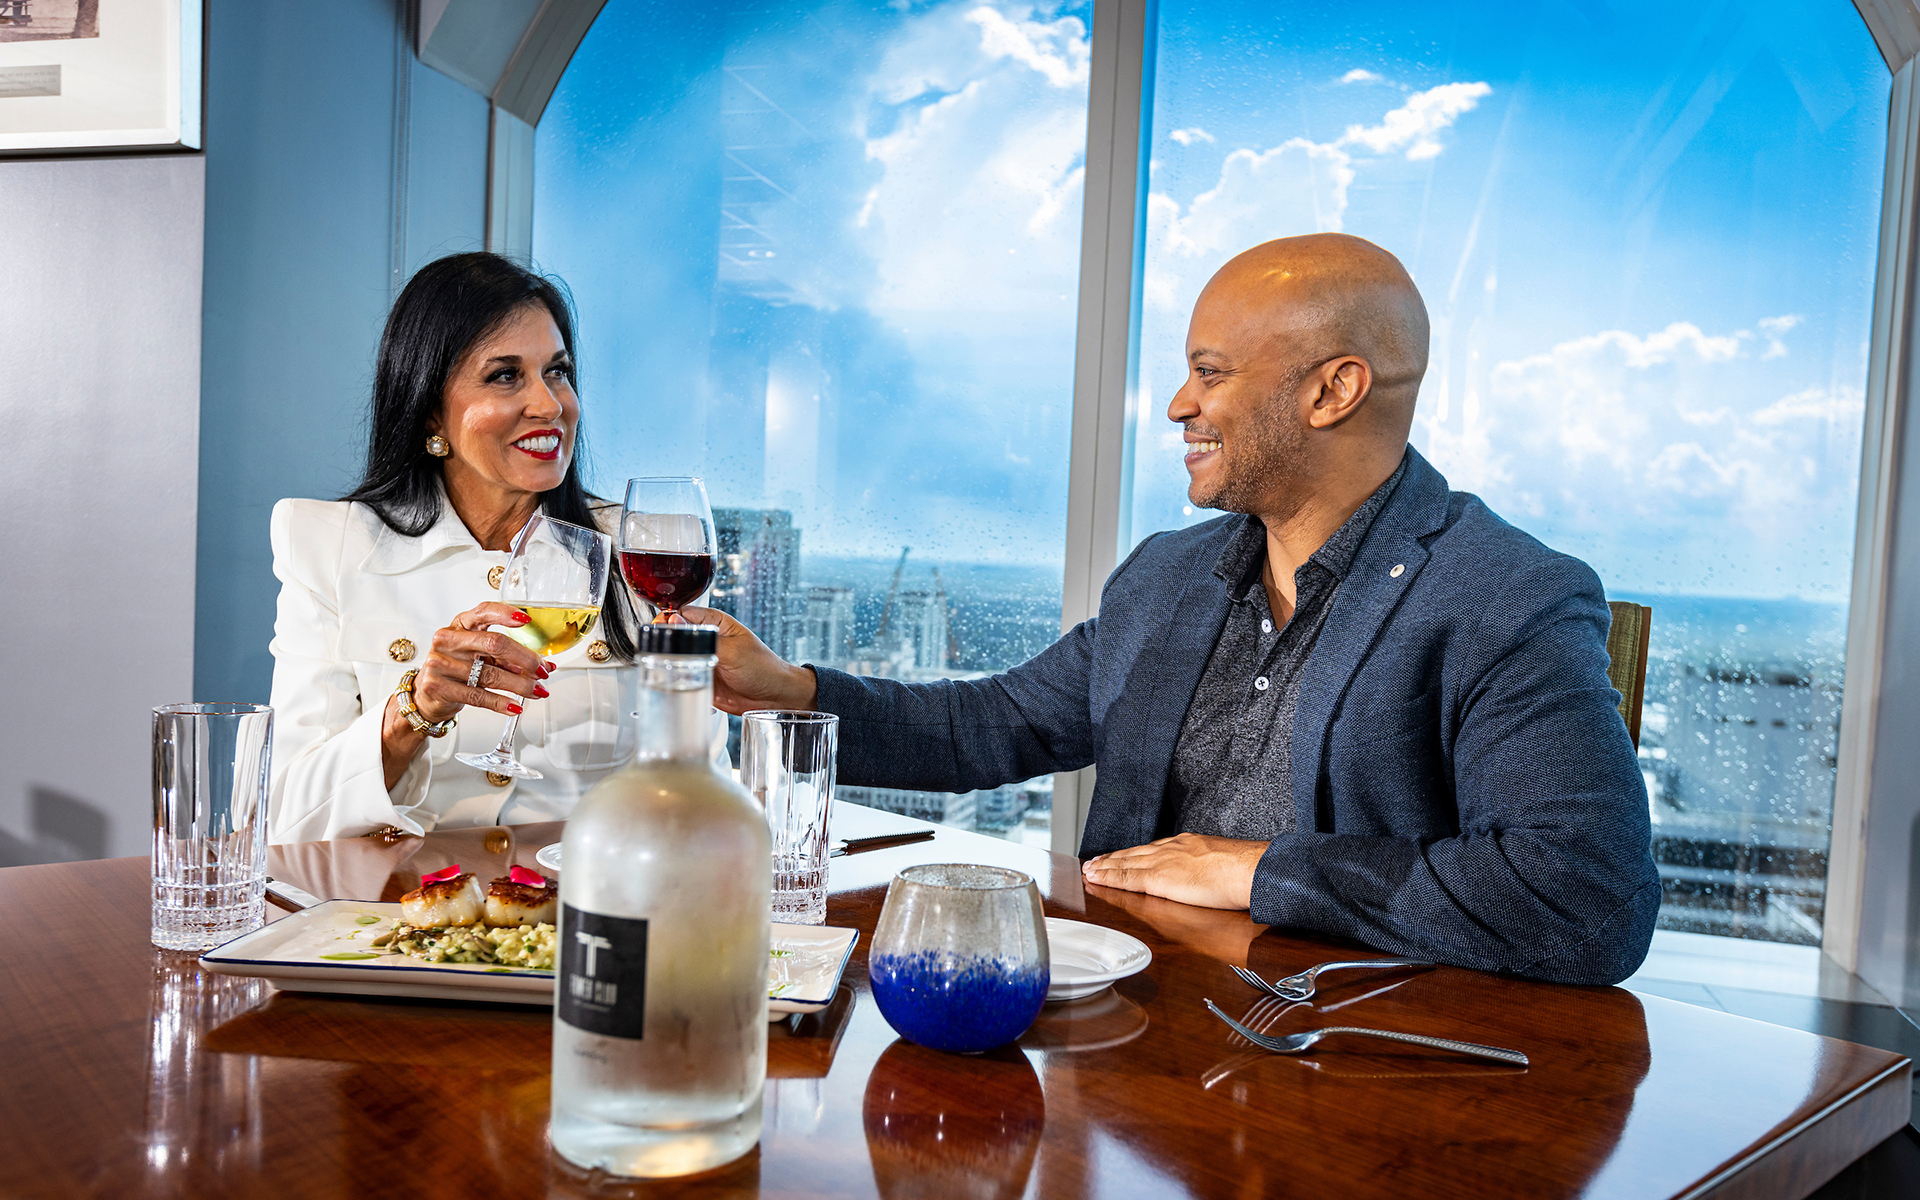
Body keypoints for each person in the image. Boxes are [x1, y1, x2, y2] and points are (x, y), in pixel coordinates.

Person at [689, 233, 1661, 986]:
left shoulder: (1508, 596)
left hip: (1354, 1067)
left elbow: (1586, 898)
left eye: (1211, 372)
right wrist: (785, 689)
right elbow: (993, 724)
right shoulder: (1166, 576)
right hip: (1132, 1028)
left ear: (1333, 390)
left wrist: (1258, 871)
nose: (1176, 405)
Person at [268, 253, 662, 843]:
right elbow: (283, 820)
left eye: (557, 371)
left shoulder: (640, 552)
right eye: (505, 375)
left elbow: (698, 791)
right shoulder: (330, 546)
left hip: (590, 894)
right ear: (430, 409)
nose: (550, 404)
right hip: (406, 899)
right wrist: (411, 713)